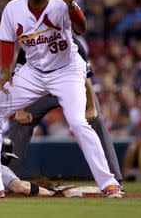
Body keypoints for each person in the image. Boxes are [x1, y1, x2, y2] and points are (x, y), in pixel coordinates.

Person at [0, 0, 123, 199]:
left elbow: (81, 28)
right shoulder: (13, 8)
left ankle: (109, 183)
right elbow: (7, 41)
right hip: (33, 72)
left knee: (79, 124)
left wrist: (72, 7)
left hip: (67, 71)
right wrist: (5, 70)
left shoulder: (62, 4)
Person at [7, 37, 123, 184]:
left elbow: (86, 77)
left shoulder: (72, 42)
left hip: (72, 87)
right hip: (42, 91)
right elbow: (17, 77)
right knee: (20, 123)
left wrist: (91, 107)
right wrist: (20, 109)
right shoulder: (29, 45)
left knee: (96, 120)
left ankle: (114, 181)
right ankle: (7, 179)